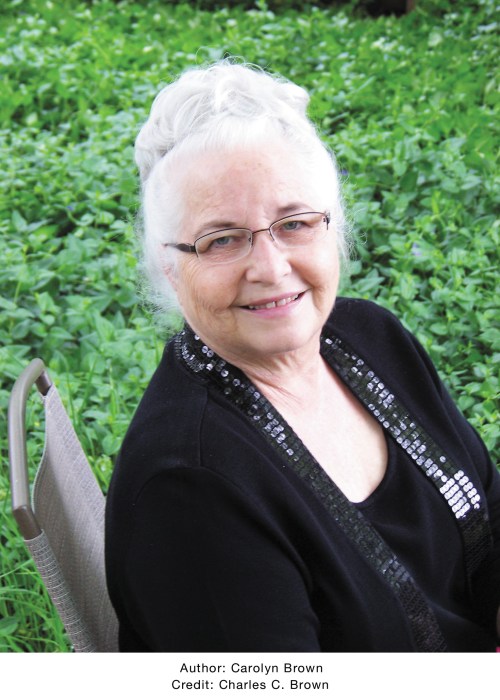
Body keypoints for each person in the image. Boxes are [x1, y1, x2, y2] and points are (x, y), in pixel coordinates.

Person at [105, 61, 500, 652]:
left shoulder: (371, 335)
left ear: (332, 228)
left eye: (294, 223)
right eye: (221, 239)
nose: (270, 268)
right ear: (169, 265)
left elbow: (490, 509)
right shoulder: (189, 489)